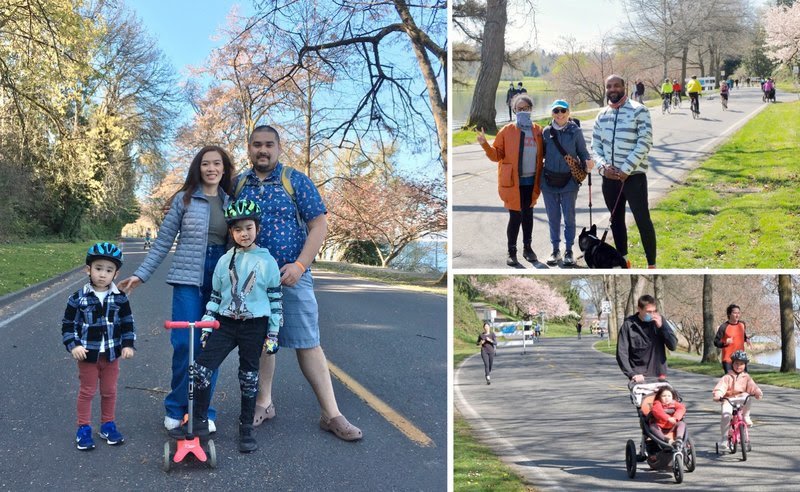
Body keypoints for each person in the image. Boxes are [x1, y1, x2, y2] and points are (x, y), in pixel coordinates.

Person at [235, 125, 363, 441]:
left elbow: (319, 225)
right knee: (262, 341)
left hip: (292, 277)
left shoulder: (295, 181)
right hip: (252, 282)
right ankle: (264, 403)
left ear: (279, 148)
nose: (262, 150)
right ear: (249, 148)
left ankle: (331, 414)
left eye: (269, 145)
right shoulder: (238, 184)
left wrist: (300, 264)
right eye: (256, 145)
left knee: (308, 342)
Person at [117, 146, 234, 434]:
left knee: (210, 347)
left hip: (219, 280)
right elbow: (162, 242)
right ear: (198, 168)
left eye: (216, 163)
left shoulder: (231, 202)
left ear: (224, 168)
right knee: (184, 343)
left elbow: (241, 244)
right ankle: (175, 406)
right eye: (205, 164)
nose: (211, 168)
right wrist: (141, 275)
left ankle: (202, 411)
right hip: (187, 279)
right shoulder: (184, 200)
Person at [184, 199, 283, 453]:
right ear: (231, 232)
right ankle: (199, 421)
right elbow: (215, 298)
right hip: (225, 323)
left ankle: (246, 427)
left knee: (249, 377)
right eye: (238, 229)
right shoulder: (224, 261)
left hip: (254, 326)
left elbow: (275, 299)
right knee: (201, 370)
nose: (244, 233)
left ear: (257, 228)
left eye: (248, 227)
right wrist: (207, 327)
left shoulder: (267, 262)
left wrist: (273, 334)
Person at [62, 242, 135, 450]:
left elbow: (127, 323)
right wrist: (73, 345)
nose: (103, 274)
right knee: (87, 391)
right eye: (98, 268)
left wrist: (128, 345)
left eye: (109, 270)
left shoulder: (120, 298)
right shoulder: (78, 298)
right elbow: (68, 324)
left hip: (111, 355)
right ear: (89, 269)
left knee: (109, 391)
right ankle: (83, 427)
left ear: (116, 274)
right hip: (87, 355)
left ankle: (107, 425)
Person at [591, 74, 657, 268]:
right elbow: (595, 147)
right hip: (609, 179)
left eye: (616, 86)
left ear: (624, 87)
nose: (613, 89)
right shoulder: (601, 115)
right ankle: (624, 263)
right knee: (616, 222)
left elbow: (645, 142)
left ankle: (651, 265)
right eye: (609, 86)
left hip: (633, 178)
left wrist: (627, 169)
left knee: (642, 220)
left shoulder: (639, 110)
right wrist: (603, 168)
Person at [477, 94, 544, 266]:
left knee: (528, 215)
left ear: (531, 109)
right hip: (513, 182)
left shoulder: (538, 130)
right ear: (514, 110)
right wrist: (484, 144)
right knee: (515, 217)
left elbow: (545, 153)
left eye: (526, 108)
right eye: (519, 109)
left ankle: (528, 248)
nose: (523, 111)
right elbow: (496, 156)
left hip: (532, 181)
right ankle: (511, 251)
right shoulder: (506, 131)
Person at [541, 99, 593, 266]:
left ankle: (569, 250)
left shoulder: (575, 131)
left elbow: (583, 152)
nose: (560, 114)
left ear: (568, 112)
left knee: (569, 217)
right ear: (552, 113)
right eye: (556, 111)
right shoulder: (546, 132)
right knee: (553, 218)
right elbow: (540, 154)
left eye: (563, 111)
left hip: (569, 182)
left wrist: (588, 162)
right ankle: (555, 250)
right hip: (548, 182)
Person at [616, 295, 678, 383]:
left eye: (654, 311)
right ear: (639, 309)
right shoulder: (629, 325)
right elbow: (622, 353)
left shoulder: (660, 321)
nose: (652, 314)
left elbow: (673, 346)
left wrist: (662, 327)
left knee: (668, 392)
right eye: (649, 311)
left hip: (659, 375)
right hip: (639, 376)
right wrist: (631, 374)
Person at [712, 350, 763, 449]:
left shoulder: (746, 377)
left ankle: (746, 416)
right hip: (729, 399)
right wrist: (718, 395)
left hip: (741, 399)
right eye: (736, 363)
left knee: (747, 397)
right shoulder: (727, 377)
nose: (738, 366)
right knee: (726, 415)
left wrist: (757, 392)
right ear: (732, 364)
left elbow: (753, 387)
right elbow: (721, 387)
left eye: (741, 364)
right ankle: (724, 438)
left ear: (745, 365)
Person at [713, 304, 750, 374]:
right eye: (735, 313)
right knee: (731, 379)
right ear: (729, 314)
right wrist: (725, 342)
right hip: (728, 360)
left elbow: (743, 335)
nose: (737, 315)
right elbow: (716, 342)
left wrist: (747, 339)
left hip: (741, 359)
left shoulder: (742, 325)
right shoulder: (724, 327)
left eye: (738, 313)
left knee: (743, 379)